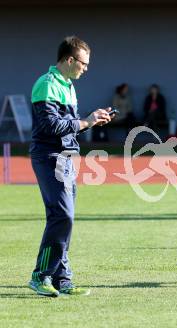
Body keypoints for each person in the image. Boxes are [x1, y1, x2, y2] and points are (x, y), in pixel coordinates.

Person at [28, 36, 113, 297]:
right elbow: (49, 126)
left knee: (64, 218)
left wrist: (91, 119)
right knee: (62, 216)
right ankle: (40, 276)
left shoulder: (67, 85)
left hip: (66, 158)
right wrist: (85, 122)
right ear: (69, 60)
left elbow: (69, 123)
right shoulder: (47, 84)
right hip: (49, 156)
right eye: (83, 63)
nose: (85, 68)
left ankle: (62, 279)